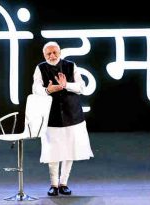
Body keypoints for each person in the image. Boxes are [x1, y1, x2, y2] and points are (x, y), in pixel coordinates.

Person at [32, 41, 94, 196]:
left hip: (72, 114)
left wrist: (66, 85)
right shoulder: (40, 68)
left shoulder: (71, 66)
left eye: (55, 53)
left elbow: (81, 87)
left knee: (69, 150)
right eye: (48, 54)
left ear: (60, 52)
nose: (52, 56)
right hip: (51, 116)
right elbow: (36, 88)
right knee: (53, 151)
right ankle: (53, 184)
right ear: (44, 55)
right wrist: (48, 89)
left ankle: (63, 183)